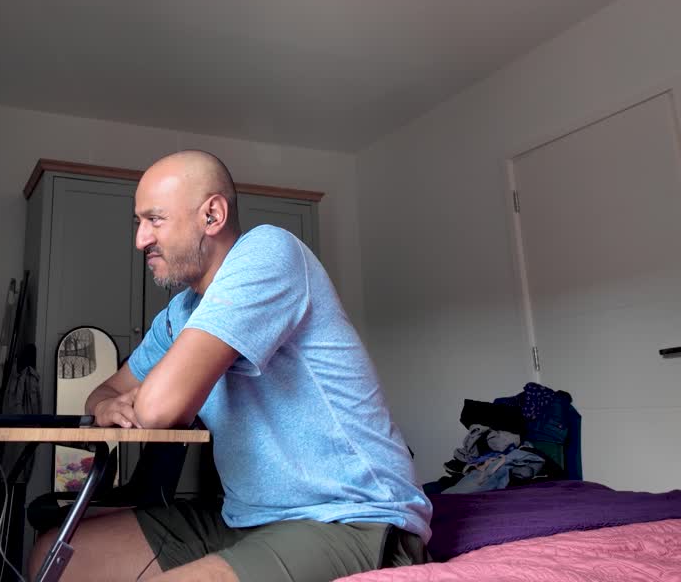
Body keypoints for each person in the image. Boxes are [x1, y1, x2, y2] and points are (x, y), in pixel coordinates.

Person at [28, 151, 432, 582]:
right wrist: (106, 404)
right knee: (54, 554)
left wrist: (145, 396)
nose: (141, 239)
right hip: (245, 517)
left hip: (350, 516)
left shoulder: (269, 252)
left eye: (155, 220)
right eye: (138, 223)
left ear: (213, 215)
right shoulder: (179, 313)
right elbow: (107, 390)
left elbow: (160, 409)